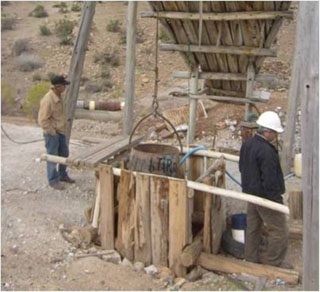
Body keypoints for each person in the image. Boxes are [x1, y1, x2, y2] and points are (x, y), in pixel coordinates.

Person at [239, 111, 290, 268]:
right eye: (274, 132)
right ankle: (274, 262)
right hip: (265, 197)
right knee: (279, 230)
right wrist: (276, 200)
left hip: (251, 194)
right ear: (267, 131)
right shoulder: (267, 151)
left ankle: (250, 258)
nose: (275, 136)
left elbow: (241, 167)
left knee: (253, 227)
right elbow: (270, 180)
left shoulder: (247, 144)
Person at [38, 75, 75, 190]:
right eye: (64, 86)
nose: (65, 88)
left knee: (64, 154)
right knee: (52, 157)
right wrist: (52, 132)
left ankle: (63, 175)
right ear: (58, 87)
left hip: (61, 132)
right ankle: (53, 180)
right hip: (53, 133)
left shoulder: (58, 96)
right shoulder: (48, 100)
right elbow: (43, 120)